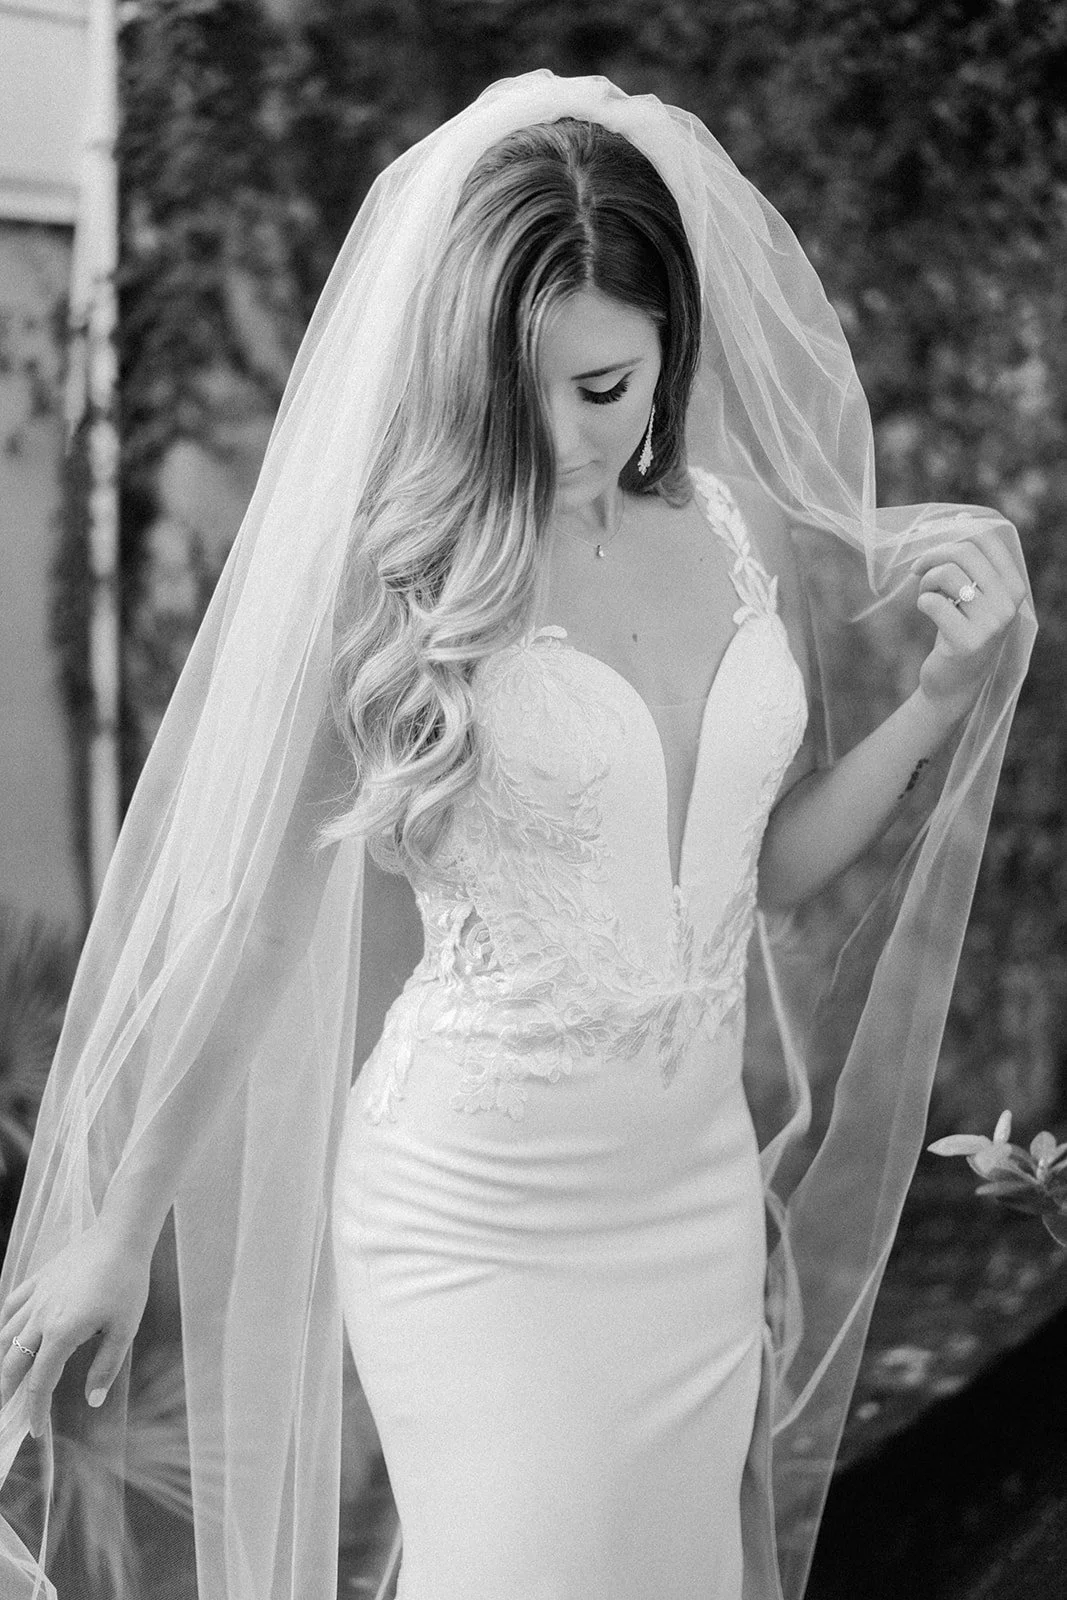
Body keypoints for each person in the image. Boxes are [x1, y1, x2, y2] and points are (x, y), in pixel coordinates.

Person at [0, 70, 1033, 1600]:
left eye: (605, 386)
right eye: (522, 391)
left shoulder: (736, 536)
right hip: (476, 1220)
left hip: (687, 1203)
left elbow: (750, 883)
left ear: (672, 341)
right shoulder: (401, 578)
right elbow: (256, 921)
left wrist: (936, 700)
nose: (564, 431)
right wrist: (116, 1220)